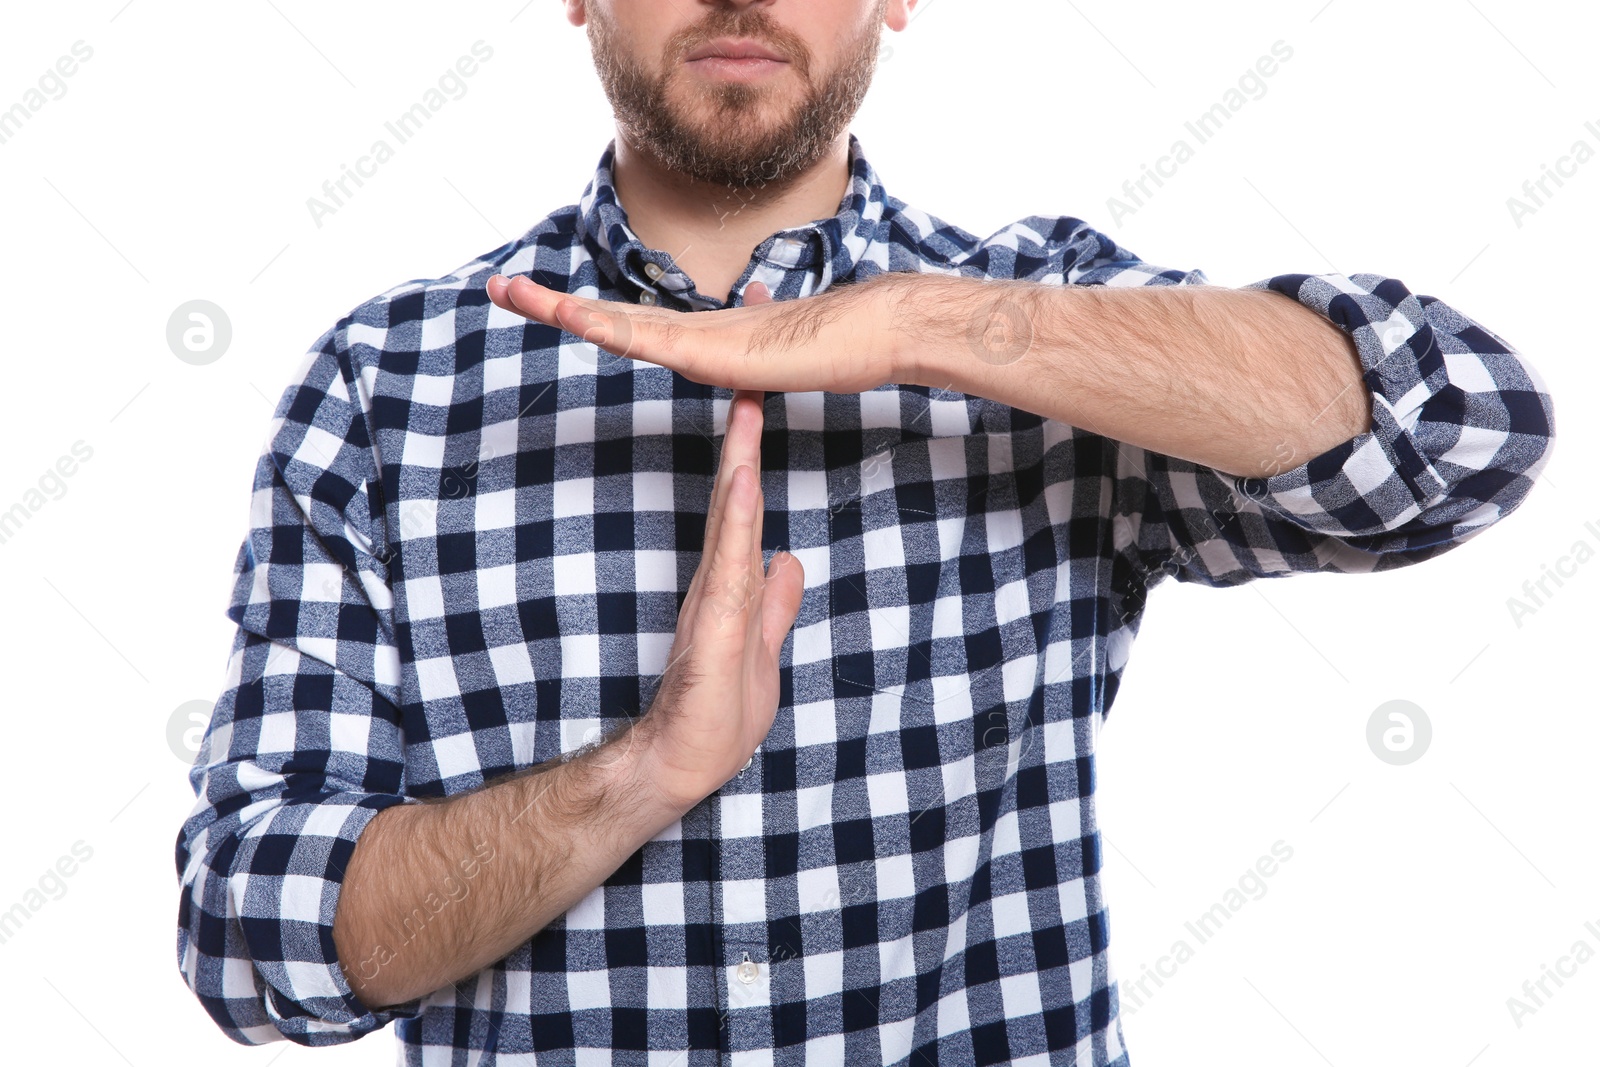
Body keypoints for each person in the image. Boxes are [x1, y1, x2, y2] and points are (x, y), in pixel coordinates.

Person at [174, 1, 1556, 1063]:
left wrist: (925, 323)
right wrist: (645, 773)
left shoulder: (1047, 334)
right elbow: (252, 939)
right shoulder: (391, 379)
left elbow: (1466, 431)